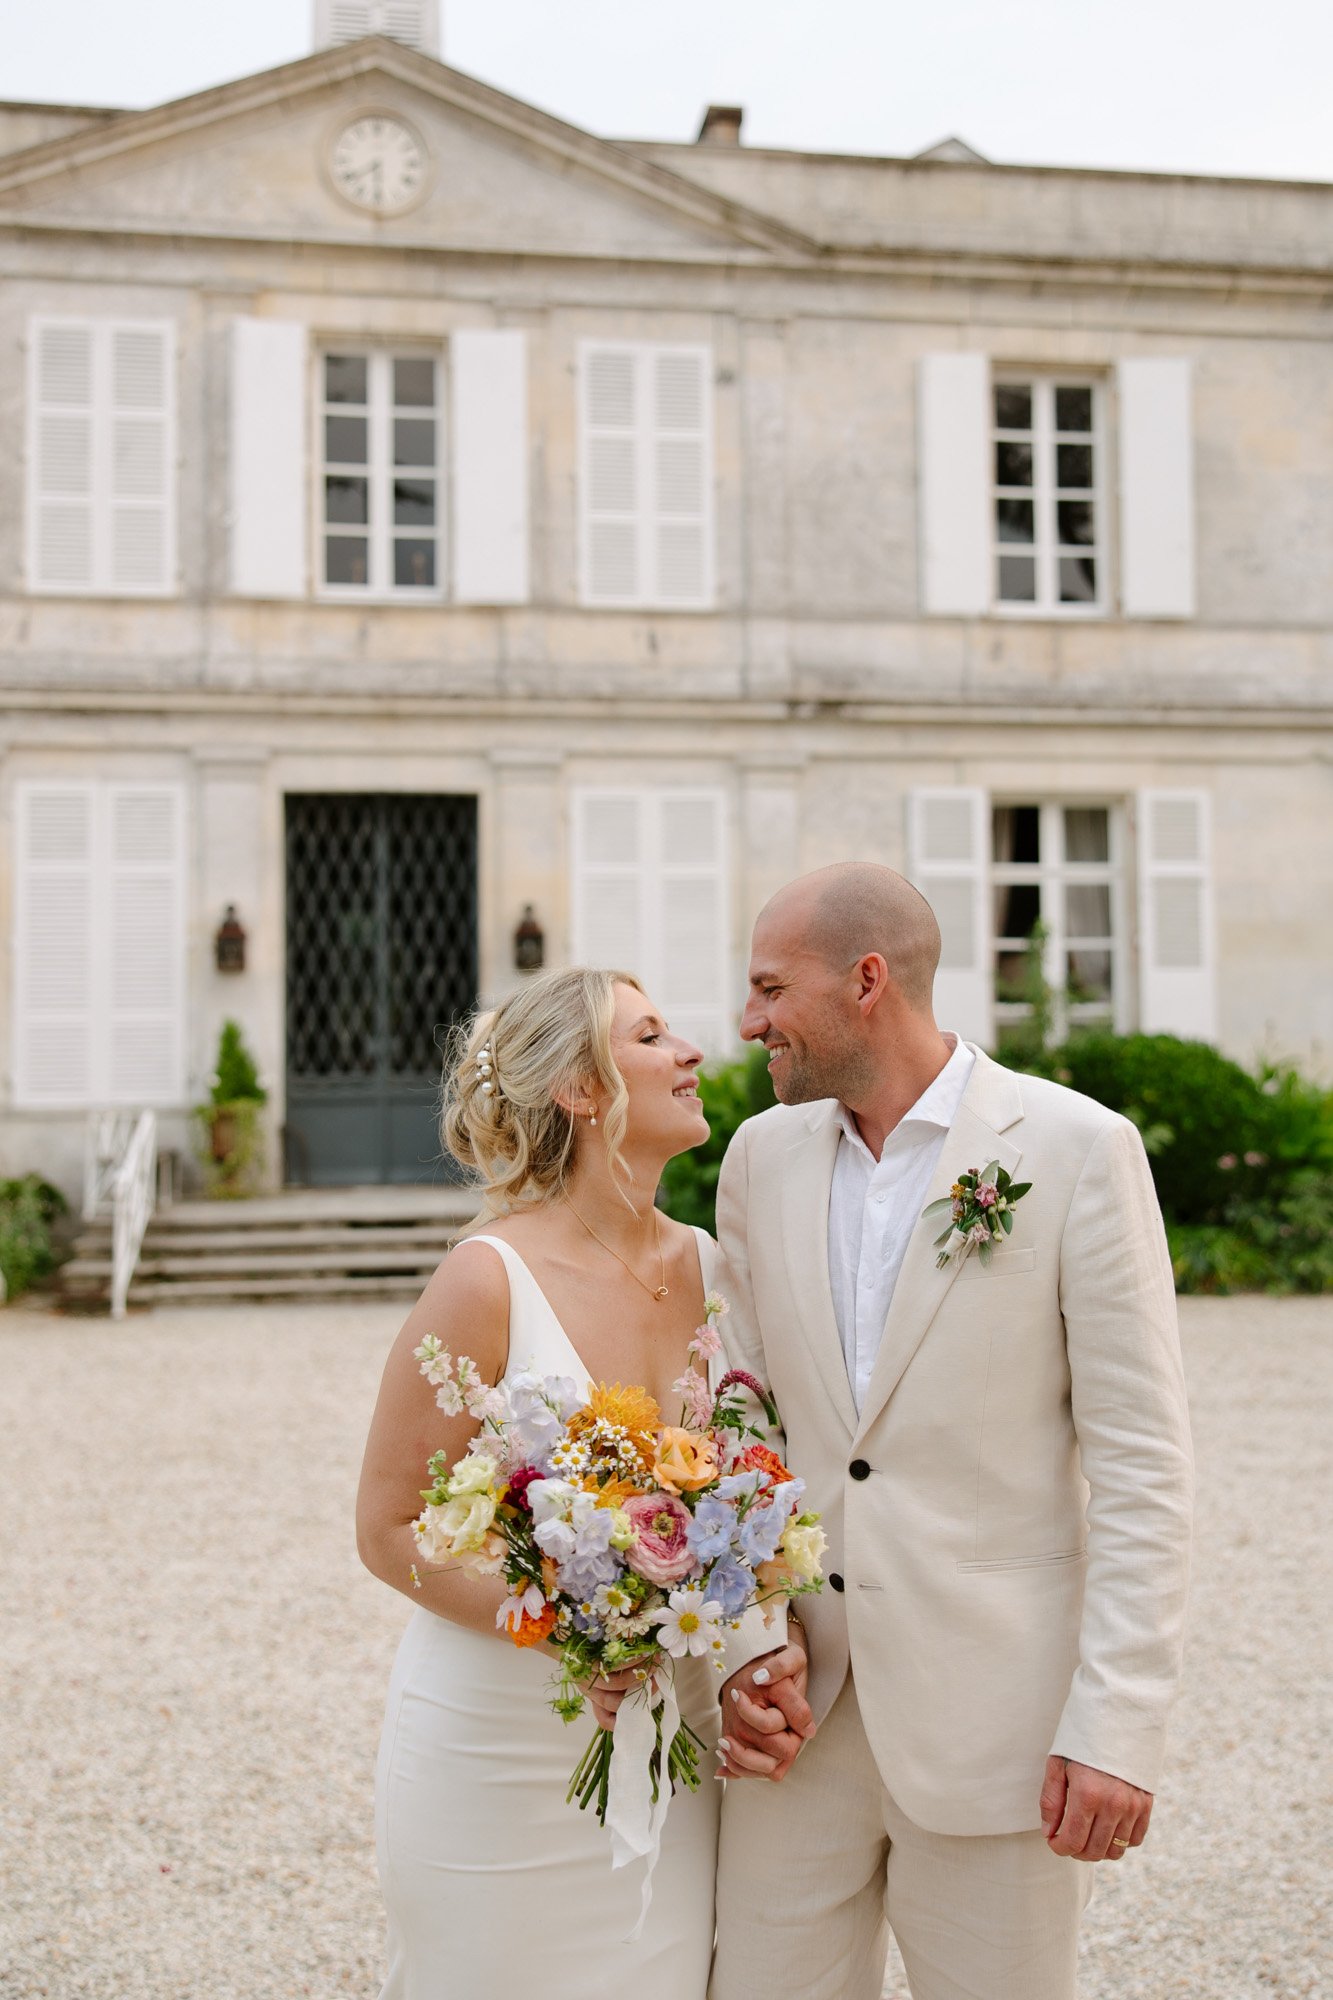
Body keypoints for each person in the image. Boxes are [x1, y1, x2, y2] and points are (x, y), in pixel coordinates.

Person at [709, 863, 1194, 2000]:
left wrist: (1116, 1720)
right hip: (796, 1723)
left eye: (771, 987)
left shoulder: (1077, 1148)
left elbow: (1142, 1463)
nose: (747, 1021)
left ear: (866, 980)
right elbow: (739, 1426)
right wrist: (742, 1643)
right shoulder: (755, 1157)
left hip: (1000, 1729)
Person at [357, 965, 798, 1998]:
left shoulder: (713, 1266)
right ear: (582, 1088)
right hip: (495, 1751)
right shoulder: (486, 1277)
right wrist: (573, 1628)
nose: (692, 1050)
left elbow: (747, 1489)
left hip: (662, 1740)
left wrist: (747, 1646)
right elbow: (386, 1528)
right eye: (651, 1035)